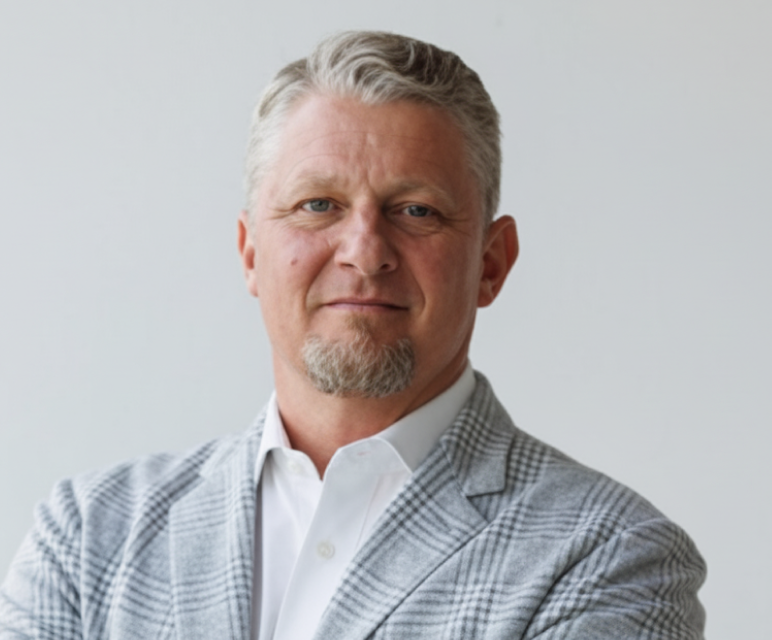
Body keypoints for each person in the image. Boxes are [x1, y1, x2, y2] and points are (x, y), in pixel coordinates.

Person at [0, 31, 705, 639]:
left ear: (492, 263)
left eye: (416, 210)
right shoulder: (88, 536)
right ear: (250, 253)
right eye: (317, 205)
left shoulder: (612, 557)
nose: (365, 251)